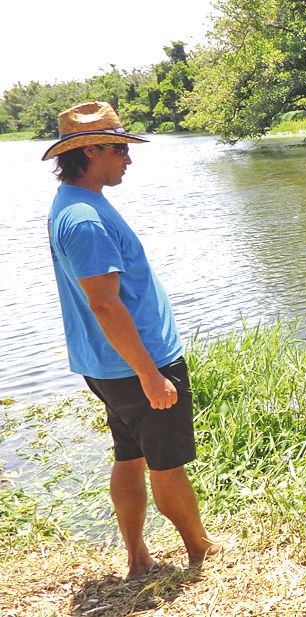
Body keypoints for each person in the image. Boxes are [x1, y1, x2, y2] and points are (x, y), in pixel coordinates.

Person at [44, 101, 219, 580]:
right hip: (134, 364)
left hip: (106, 363)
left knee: (129, 454)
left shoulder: (77, 204)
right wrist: (150, 373)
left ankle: (138, 556)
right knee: (167, 463)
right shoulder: (84, 218)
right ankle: (199, 549)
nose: (128, 158)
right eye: (120, 149)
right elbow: (103, 303)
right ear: (92, 150)